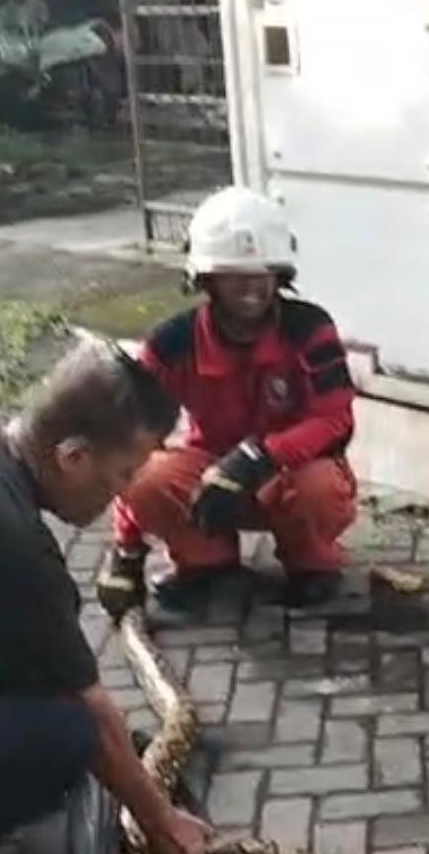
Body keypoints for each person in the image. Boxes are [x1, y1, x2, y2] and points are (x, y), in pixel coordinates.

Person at [0, 340, 210, 854]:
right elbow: (91, 712)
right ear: (72, 456)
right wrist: (162, 819)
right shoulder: (3, 534)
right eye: (123, 475)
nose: (123, 496)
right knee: (66, 736)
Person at [95, 186, 357, 620]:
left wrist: (256, 458)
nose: (252, 285)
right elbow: (132, 439)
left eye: (263, 272)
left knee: (321, 486)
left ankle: (311, 565)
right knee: (147, 476)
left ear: (280, 274)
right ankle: (207, 567)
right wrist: (126, 551)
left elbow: (334, 420)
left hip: (286, 474)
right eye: (235, 273)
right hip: (208, 480)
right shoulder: (171, 344)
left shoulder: (309, 328)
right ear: (207, 279)